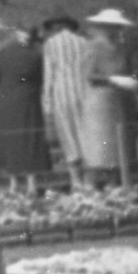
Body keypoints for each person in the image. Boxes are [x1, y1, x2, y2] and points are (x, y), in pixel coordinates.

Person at [0, 22, 47, 193]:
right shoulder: (36, 55)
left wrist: (2, 83)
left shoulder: (4, 53)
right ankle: (31, 183)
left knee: (10, 141)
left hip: (6, 99)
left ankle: (13, 183)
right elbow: (42, 77)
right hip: (29, 99)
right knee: (30, 139)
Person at [79, 8, 138, 187]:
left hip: (120, 101)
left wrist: (130, 81)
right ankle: (91, 186)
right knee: (99, 149)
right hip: (99, 101)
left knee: (119, 148)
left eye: (118, 27)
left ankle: (116, 185)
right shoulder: (93, 47)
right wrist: (112, 79)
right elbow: (88, 75)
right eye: (112, 27)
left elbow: (128, 71)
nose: (116, 30)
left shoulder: (121, 48)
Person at [39, 16, 92, 190]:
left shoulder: (50, 44)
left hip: (61, 93)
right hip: (84, 92)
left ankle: (76, 180)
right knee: (85, 134)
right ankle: (88, 180)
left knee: (67, 135)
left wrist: (47, 103)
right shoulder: (84, 42)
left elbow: (49, 74)